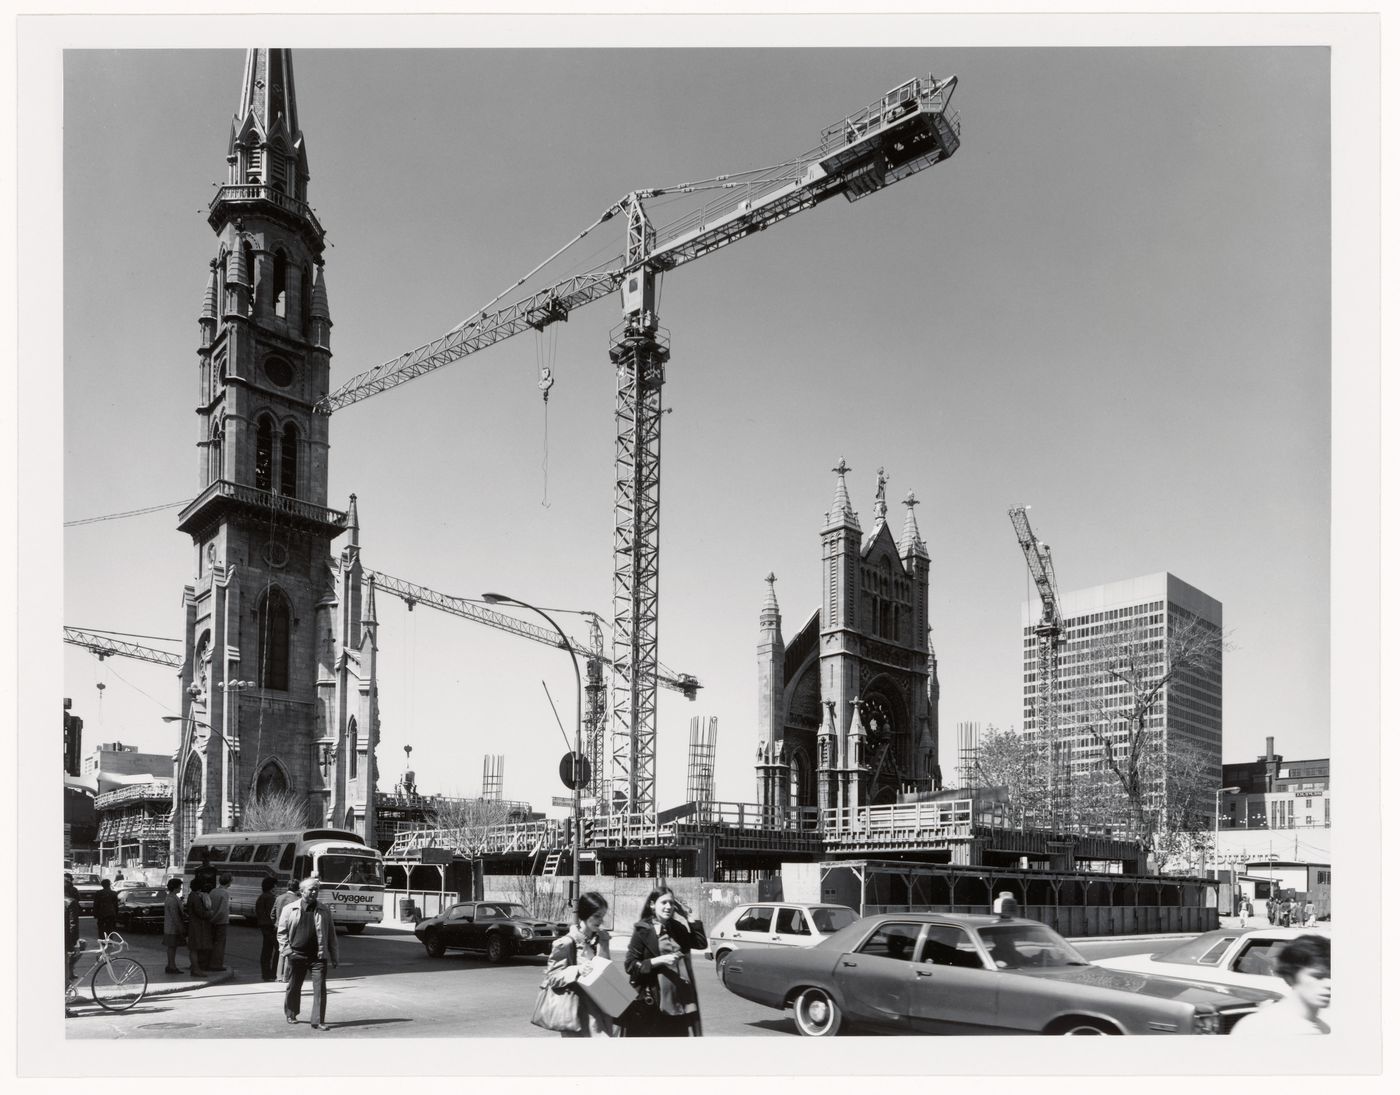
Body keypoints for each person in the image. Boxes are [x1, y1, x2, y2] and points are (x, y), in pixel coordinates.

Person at [623, 887, 706, 1037]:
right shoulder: (642, 930)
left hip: (680, 1002)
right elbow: (630, 965)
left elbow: (700, 943)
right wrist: (658, 960)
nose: (668, 907)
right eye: (664, 902)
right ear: (653, 905)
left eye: (671, 903)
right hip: (655, 1003)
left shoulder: (677, 928)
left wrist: (688, 916)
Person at [543, 891, 616, 1038]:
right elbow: (553, 978)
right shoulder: (566, 943)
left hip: (602, 1011)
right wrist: (577, 970)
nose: (600, 921)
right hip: (577, 1016)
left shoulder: (602, 939)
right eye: (596, 916)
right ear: (584, 914)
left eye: (602, 916)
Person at [1231, 934, 1330, 1036]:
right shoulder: (1258, 1027)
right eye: (1318, 976)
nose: (1329, 984)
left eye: (1332, 976)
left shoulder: (1326, 1029)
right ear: (1291, 977)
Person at [277, 878, 339, 1030]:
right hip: (296, 955)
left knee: (320, 989)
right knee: (294, 986)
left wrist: (334, 956)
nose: (314, 892)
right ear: (302, 891)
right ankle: (291, 1013)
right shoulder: (290, 909)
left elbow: (331, 934)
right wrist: (288, 952)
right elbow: (281, 933)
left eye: (316, 890)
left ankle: (318, 1020)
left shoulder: (324, 910)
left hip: (318, 956)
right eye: (311, 889)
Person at [273, 878, 302, 981]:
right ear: (298, 888)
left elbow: (272, 914)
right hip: (292, 928)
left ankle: (278, 976)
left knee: (281, 951)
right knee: (289, 951)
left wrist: (276, 923)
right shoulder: (298, 900)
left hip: (278, 927)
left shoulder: (279, 898)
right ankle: (286, 976)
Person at [185, 876, 214, 976]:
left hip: (194, 925)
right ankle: (196, 969)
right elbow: (200, 912)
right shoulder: (196, 897)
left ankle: (195, 968)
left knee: (194, 948)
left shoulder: (192, 895)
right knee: (195, 949)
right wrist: (210, 913)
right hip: (197, 926)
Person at [254, 877, 279, 981]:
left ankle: (266, 973)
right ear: (272, 886)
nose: (276, 887)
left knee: (266, 950)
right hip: (271, 926)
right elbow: (273, 914)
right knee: (278, 949)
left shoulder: (261, 897)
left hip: (263, 925)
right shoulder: (271, 898)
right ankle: (274, 973)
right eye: (275, 885)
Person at [208, 873, 232, 971]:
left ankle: (209, 962)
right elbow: (222, 910)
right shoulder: (225, 893)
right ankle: (217, 964)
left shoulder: (213, 891)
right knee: (220, 944)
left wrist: (211, 920)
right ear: (229, 882)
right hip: (221, 922)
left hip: (211, 920)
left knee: (212, 942)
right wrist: (215, 919)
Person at [162, 878, 186, 974]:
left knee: (172, 947)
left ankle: (171, 965)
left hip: (171, 927)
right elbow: (175, 915)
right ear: (175, 887)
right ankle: (172, 966)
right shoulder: (172, 899)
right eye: (179, 887)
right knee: (172, 947)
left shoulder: (172, 897)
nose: (180, 888)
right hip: (172, 927)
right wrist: (180, 928)